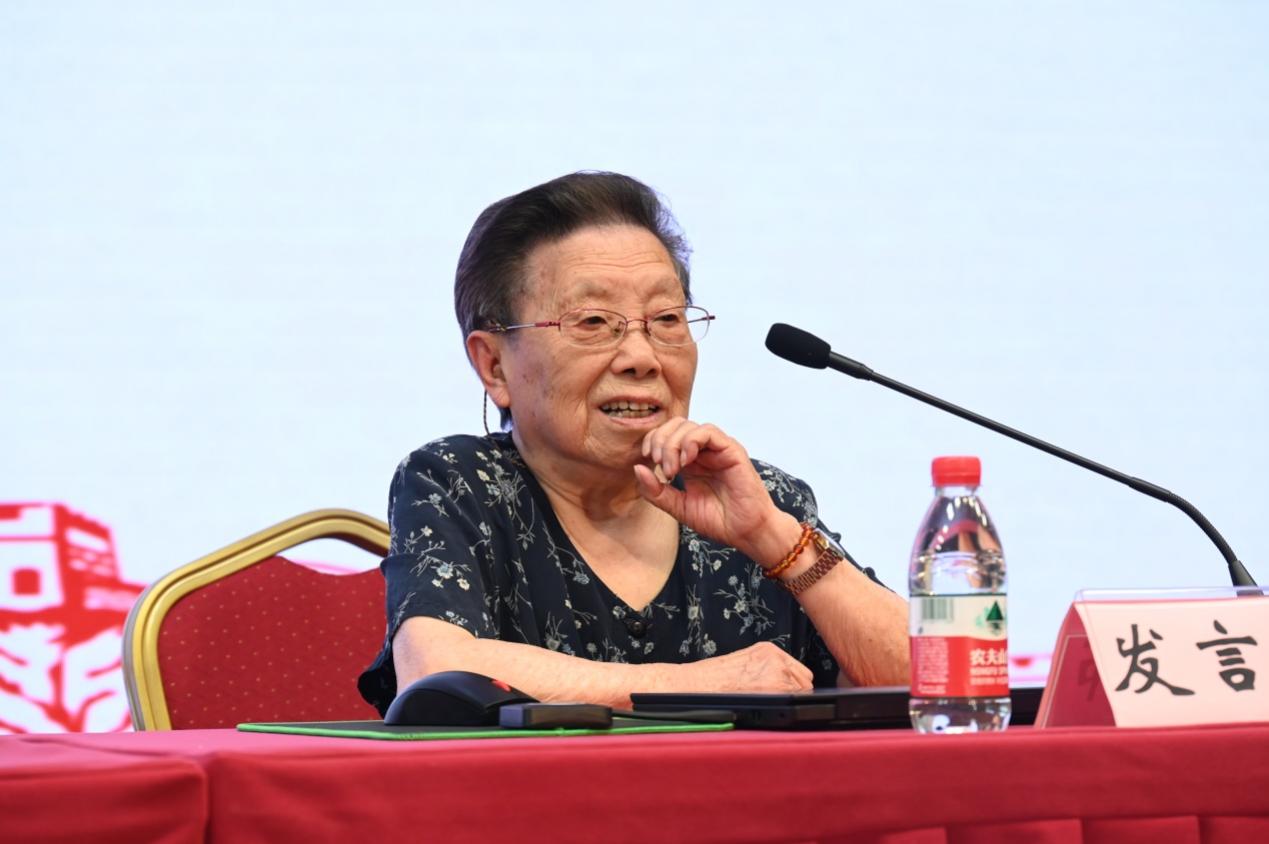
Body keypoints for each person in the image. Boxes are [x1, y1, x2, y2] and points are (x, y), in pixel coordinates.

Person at [358, 172, 908, 714]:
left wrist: (772, 536)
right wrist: (705, 685)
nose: (642, 357)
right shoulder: (461, 485)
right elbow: (437, 671)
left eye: (666, 318)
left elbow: (931, 677)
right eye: (593, 322)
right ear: (494, 365)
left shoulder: (759, 498)